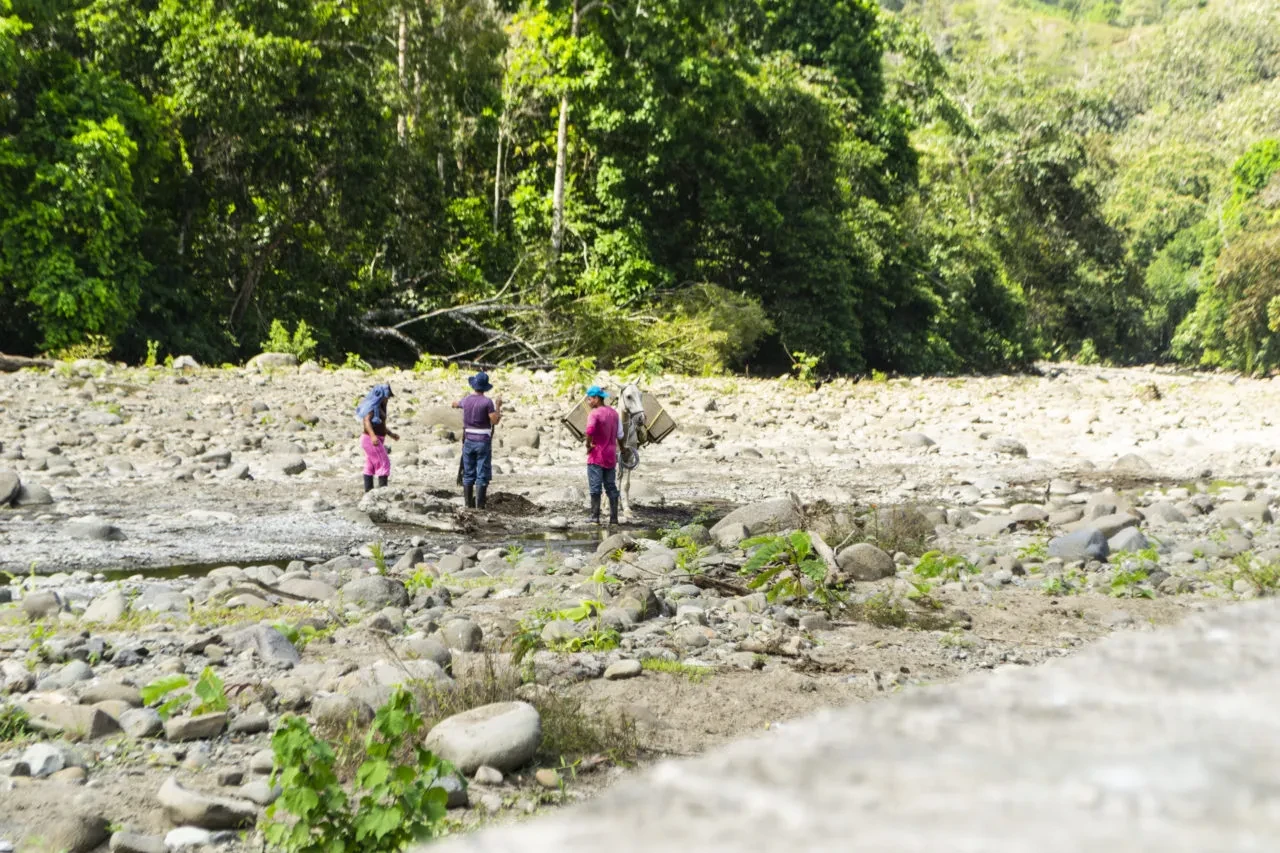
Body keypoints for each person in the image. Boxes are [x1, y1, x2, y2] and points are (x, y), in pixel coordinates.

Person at [452, 371, 502, 509]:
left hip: (468, 440)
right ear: (485, 387)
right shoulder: (487, 402)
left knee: (468, 473)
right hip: (482, 442)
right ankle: (480, 507)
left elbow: (455, 404)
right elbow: (495, 420)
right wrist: (498, 406)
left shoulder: (466, 400)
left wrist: (456, 404)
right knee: (482, 474)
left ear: (474, 385)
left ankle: (468, 505)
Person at [584, 385, 620, 525]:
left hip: (597, 455)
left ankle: (595, 517)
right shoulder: (614, 413)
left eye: (590, 399)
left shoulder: (595, 413)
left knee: (595, 487)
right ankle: (614, 518)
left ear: (597, 398)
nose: (588, 401)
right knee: (611, 486)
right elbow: (619, 434)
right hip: (611, 455)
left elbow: (590, 430)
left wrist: (588, 445)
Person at [356, 383, 398, 492]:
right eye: (387, 396)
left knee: (370, 465)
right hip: (371, 440)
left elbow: (381, 425)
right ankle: (383, 492)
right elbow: (366, 421)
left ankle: (368, 491)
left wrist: (390, 434)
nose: (388, 399)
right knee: (384, 463)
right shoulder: (372, 406)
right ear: (381, 396)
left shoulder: (380, 407)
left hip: (375, 439)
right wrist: (373, 436)